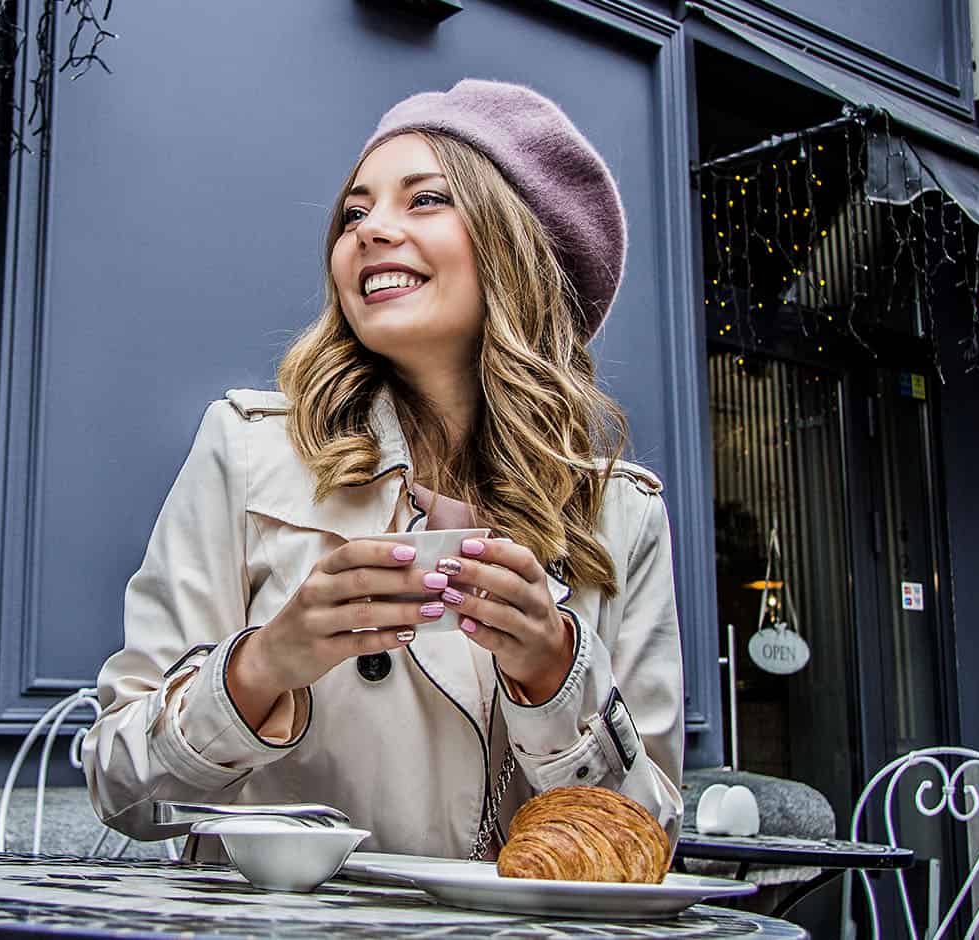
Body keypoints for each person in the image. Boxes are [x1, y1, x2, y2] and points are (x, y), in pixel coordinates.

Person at [83, 80, 684, 860]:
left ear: (517, 244)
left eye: (425, 199)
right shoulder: (247, 452)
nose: (371, 231)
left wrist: (551, 673)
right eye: (354, 213)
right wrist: (262, 667)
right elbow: (121, 788)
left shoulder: (618, 516)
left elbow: (646, 844)